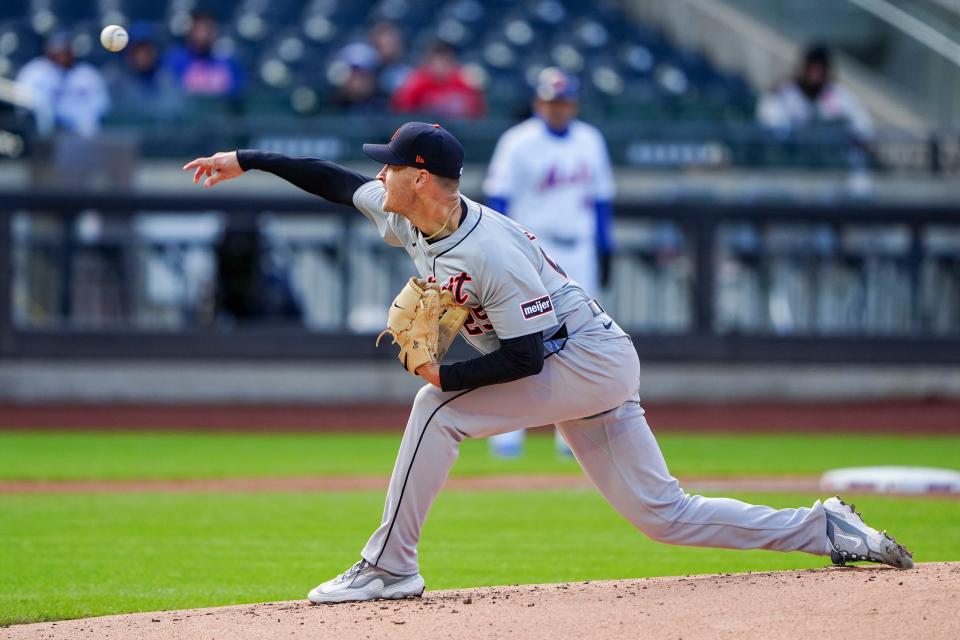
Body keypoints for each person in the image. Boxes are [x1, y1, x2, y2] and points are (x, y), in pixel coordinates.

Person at [183, 122, 913, 605]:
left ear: (423, 176)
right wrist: (244, 160)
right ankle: (826, 530)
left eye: (392, 166)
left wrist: (447, 378)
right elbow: (328, 177)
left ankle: (388, 568)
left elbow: (528, 356)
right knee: (665, 516)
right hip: (579, 363)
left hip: (585, 359)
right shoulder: (402, 208)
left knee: (435, 411)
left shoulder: (489, 249)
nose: (380, 177)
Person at [484, 67, 615, 458]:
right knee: (518, 334)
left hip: (579, 247)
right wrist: (494, 249)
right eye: (551, 101)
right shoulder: (518, 141)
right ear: (539, 102)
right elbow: (498, 199)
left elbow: (602, 198)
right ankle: (507, 432)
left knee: (579, 339)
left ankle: (571, 435)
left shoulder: (591, 140)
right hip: (533, 249)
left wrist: (606, 246)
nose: (558, 108)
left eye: (564, 101)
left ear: (573, 103)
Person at [757, 44, 873, 143]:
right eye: (813, 67)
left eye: (822, 67)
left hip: (832, 161)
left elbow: (864, 127)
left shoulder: (838, 93)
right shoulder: (784, 92)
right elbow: (773, 126)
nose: (817, 74)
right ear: (804, 68)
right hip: (792, 159)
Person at [15, 31, 110, 136]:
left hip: (84, 137)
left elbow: (102, 106)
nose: (63, 54)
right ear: (48, 49)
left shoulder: (88, 74)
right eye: (58, 49)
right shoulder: (34, 72)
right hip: (45, 136)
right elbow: (24, 107)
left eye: (66, 49)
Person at [104, 22, 183, 121]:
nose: (143, 55)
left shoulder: (165, 78)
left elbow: (175, 110)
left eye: (147, 49)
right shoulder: (115, 80)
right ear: (128, 52)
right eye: (138, 50)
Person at [391, 41, 485, 119]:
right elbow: (402, 113)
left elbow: (477, 114)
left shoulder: (463, 81)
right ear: (428, 62)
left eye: (446, 61)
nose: (441, 66)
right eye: (438, 61)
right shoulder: (417, 82)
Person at [162, 11, 244, 98]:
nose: (205, 34)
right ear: (190, 31)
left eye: (210, 29)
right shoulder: (174, 60)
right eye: (200, 29)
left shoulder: (229, 63)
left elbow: (238, 94)